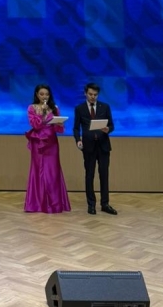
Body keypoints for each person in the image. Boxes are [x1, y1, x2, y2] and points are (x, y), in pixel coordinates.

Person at [24, 84, 71, 213]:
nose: (44, 96)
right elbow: (35, 125)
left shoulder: (55, 108)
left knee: (53, 172)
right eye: (41, 94)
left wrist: (59, 124)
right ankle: (37, 204)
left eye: (47, 94)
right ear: (37, 95)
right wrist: (43, 114)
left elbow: (59, 130)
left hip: (51, 142)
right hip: (38, 142)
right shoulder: (32, 108)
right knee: (38, 170)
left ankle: (54, 204)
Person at [73, 82, 117, 215]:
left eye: (95, 95)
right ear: (85, 93)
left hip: (103, 146)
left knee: (104, 175)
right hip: (88, 147)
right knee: (89, 175)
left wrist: (108, 129)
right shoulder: (80, 108)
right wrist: (78, 140)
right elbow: (76, 128)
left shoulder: (105, 107)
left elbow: (112, 125)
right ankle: (91, 204)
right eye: (90, 94)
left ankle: (105, 204)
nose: (93, 97)